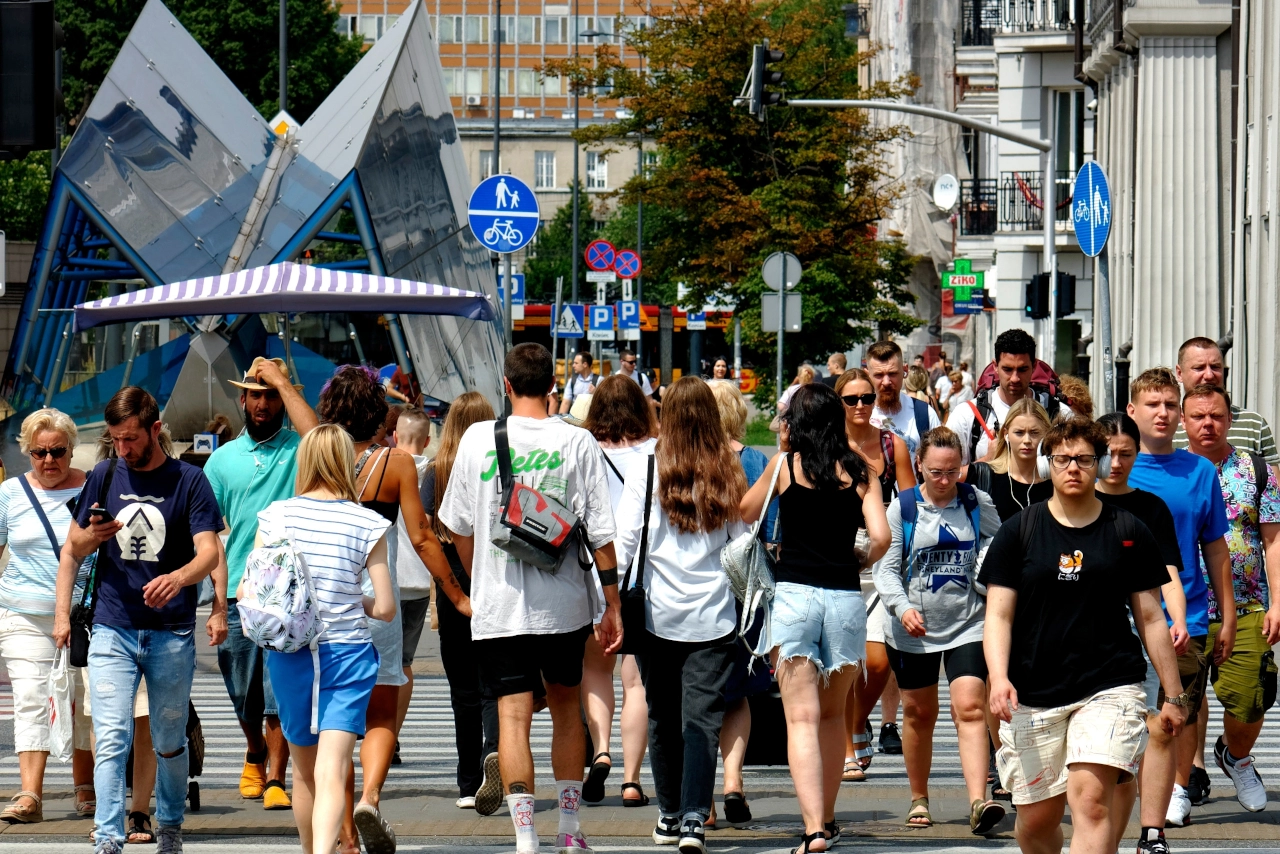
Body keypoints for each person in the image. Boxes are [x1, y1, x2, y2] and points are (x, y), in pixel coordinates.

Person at [438, 342, 621, 854]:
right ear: (553, 386)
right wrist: (614, 604)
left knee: (512, 717)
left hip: (498, 607)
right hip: (564, 605)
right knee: (566, 711)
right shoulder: (579, 443)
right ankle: (568, 830)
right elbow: (602, 534)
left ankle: (525, 837)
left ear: (508, 385)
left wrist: (479, 577)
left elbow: (456, 526)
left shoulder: (477, 439)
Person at [981, 417, 1190, 854]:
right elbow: (998, 617)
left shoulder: (1128, 531)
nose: (1073, 467)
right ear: (1048, 464)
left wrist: (1173, 694)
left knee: (1091, 801)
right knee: (1038, 821)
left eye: (1083, 459)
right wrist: (998, 678)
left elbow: (1152, 618)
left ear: (1099, 463)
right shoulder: (1019, 531)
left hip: (1109, 683)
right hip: (1034, 688)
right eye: (1062, 459)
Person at [53, 387, 225, 854]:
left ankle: (169, 823)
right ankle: (108, 837)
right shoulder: (105, 474)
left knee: (169, 738)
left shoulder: (190, 480)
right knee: (111, 736)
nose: (122, 449)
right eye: (115, 440)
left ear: (155, 430)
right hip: (112, 627)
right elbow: (73, 548)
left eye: (130, 439)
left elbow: (209, 551)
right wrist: (93, 537)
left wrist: (180, 577)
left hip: (171, 632)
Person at [317, 365, 462, 853]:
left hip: (329, 601)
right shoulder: (395, 463)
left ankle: (344, 835)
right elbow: (422, 537)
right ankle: (372, 798)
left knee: (336, 725)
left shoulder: (316, 455)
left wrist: (277, 380)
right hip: (381, 602)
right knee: (381, 711)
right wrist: (456, 593)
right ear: (378, 414)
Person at [742, 384, 891, 854]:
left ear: (796, 424)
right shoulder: (860, 470)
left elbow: (746, 512)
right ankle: (827, 816)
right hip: (845, 599)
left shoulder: (785, 466)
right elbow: (883, 536)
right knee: (832, 719)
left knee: (801, 720)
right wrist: (859, 560)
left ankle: (812, 831)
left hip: (793, 598)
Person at [611, 377, 748, 853]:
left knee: (663, 715)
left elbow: (627, 541)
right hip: (714, 615)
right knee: (703, 720)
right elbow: (739, 544)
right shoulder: (728, 468)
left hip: (655, 614)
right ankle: (694, 817)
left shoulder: (648, 466)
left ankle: (670, 813)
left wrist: (607, 602)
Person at [252, 424, 397, 854]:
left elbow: (249, 588)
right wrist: (357, 601)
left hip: (292, 652)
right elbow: (386, 607)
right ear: (345, 463)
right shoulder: (368, 522)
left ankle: (310, 850)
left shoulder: (275, 515)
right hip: (347, 653)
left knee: (302, 771)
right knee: (333, 769)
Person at [874, 427, 1003, 833]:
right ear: (919, 467)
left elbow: (998, 547)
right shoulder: (903, 508)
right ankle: (919, 797)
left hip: (968, 622)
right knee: (918, 713)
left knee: (970, 707)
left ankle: (978, 801)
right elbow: (886, 570)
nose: (945, 481)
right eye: (935, 472)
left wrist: (986, 571)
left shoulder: (975, 502)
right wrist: (903, 607)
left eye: (951, 471)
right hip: (913, 628)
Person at [204, 356, 318, 812]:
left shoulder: (300, 448)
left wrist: (283, 383)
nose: (264, 403)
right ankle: (254, 750)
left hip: (290, 591)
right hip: (237, 589)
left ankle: (276, 775)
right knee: (241, 690)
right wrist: (214, 599)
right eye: (256, 394)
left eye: (271, 396)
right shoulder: (221, 459)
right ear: (243, 399)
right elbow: (207, 531)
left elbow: (321, 436)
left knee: (280, 691)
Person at [1125, 367, 1234, 829]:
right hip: (1117, 616)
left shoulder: (1200, 470)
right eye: (1153, 404)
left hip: (1184, 612)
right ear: (1133, 411)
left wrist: (1224, 616)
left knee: (1176, 711)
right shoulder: (1116, 464)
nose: (1164, 413)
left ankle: (1173, 789)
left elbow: (1214, 546)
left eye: (1171, 404)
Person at [1094, 411, 1193, 854]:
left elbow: (1167, 569)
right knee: (1111, 761)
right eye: (1108, 454)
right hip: (1081, 630)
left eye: (1126, 454)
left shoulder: (1150, 508)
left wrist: (1179, 619)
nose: (1116, 463)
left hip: (1140, 628)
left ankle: (1151, 832)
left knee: (1153, 728)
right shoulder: (1071, 498)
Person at [1181, 384, 1280, 813]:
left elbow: (1273, 542)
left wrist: (1278, 603)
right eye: (1199, 416)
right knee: (1180, 702)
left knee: (1254, 698)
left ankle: (1234, 756)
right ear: (1184, 421)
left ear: (1230, 420)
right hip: (1183, 609)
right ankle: (1179, 785)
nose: (1208, 424)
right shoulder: (1169, 471)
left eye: (1217, 416)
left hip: (1246, 606)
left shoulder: (1258, 473)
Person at [0, 409, 95, 824]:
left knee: (85, 703)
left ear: (72, 449)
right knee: (31, 699)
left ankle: (86, 787)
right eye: (39, 453)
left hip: (86, 617)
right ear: (27, 452)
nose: (49, 460)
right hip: (25, 615)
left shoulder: (97, 488)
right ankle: (30, 794)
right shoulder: (10, 494)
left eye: (57, 451)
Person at [420, 393, 502, 813]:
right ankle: (495, 749)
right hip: (496, 584)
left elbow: (426, 535)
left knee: (462, 691)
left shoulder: (435, 472)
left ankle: (469, 783)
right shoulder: (497, 466)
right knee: (494, 685)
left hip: (454, 590)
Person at [578, 376, 658, 805]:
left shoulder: (583, 448)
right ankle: (631, 780)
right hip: (641, 578)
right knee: (637, 683)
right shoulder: (654, 452)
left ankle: (602, 748)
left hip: (592, 575)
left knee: (595, 671)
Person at [832, 369, 914, 782]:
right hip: (838, 555)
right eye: (852, 400)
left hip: (882, 554)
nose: (862, 405)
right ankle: (847, 744)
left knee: (879, 664)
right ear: (839, 403)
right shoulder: (827, 445)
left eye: (867, 398)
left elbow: (911, 503)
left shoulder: (891, 444)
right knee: (848, 661)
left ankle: (858, 719)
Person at [707, 380, 777, 824]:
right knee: (738, 695)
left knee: (697, 696)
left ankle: (703, 801)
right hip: (746, 589)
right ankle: (733, 780)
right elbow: (771, 532)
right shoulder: (755, 460)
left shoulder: (688, 462)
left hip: (695, 590)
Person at [946, 329, 1069, 464]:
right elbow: (948, 475)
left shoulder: (1059, 413)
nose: (1015, 378)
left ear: (1034, 367)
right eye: (1007, 369)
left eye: (1022, 369)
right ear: (995, 366)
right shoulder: (966, 414)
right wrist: (987, 460)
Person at [391, 407, 434, 763]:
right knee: (404, 663)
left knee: (375, 662)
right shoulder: (432, 474)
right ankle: (393, 736)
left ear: (395, 436)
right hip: (419, 583)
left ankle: (374, 731)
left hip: (383, 582)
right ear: (428, 441)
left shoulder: (383, 467)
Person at [1173, 337, 1280, 473]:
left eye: (1215, 367)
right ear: (1179, 373)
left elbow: (1273, 487)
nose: (1209, 375)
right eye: (1199, 368)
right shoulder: (1166, 427)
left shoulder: (1254, 424)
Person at [963, 399, 1053, 522]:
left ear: (1046, 434)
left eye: (1034, 432)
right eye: (1019, 433)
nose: (1027, 440)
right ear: (1006, 434)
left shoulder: (1057, 478)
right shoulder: (984, 475)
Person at [865, 341, 941, 458]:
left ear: (905, 370)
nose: (886, 382)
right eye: (879, 375)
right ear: (867, 375)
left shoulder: (924, 414)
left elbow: (939, 462)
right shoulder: (856, 414)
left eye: (892, 374)